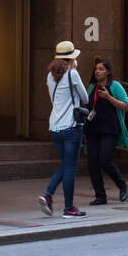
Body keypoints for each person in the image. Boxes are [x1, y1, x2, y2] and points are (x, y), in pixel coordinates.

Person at [40, 41, 89, 218]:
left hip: (55, 127)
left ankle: (48, 195)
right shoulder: (73, 74)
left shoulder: (49, 76)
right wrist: (74, 70)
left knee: (66, 165)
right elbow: (85, 97)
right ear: (71, 58)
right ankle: (69, 208)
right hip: (71, 127)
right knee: (70, 168)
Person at [84, 59, 128, 205]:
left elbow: (126, 105)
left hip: (110, 129)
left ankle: (122, 184)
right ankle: (100, 196)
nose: (97, 71)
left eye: (101, 69)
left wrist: (109, 97)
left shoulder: (115, 86)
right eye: (96, 69)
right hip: (93, 129)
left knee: (104, 160)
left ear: (108, 72)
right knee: (92, 163)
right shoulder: (92, 86)